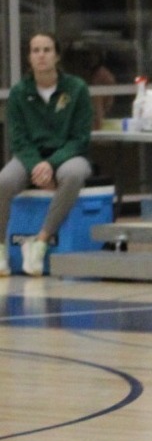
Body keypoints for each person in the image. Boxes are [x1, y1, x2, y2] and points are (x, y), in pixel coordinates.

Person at [2, 32, 94, 277]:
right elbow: (18, 140)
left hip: (67, 155)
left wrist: (51, 165)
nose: (41, 55)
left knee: (74, 174)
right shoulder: (19, 93)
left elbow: (80, 139)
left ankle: (40, 242)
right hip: (30, 157)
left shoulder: (77, 89)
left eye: (46, 50)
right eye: (35, 51)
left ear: (57, 56)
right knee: (3, 180)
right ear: (29, 58)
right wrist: (37, 166)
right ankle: (0, 249)